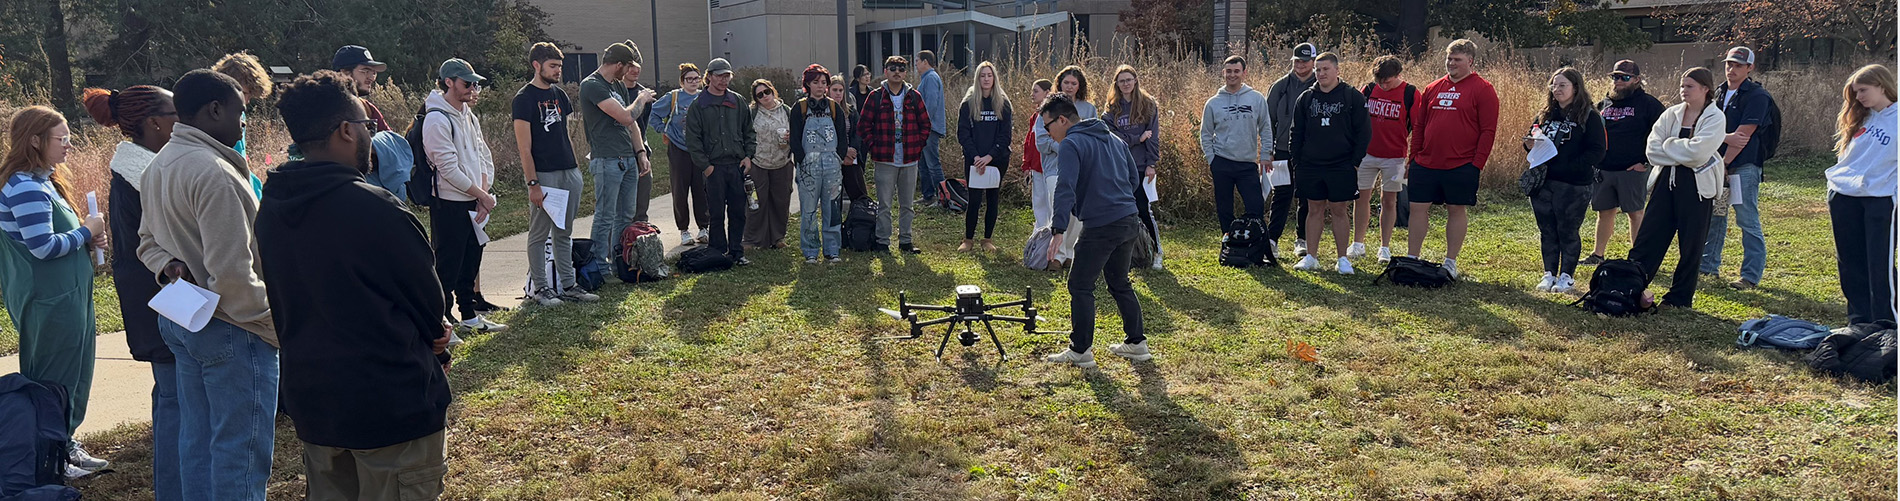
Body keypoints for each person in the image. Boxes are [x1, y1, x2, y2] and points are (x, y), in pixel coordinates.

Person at [256, 71, 452, 500]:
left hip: (315, 406)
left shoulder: (272, 207)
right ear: (346, 130)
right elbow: (428, 306)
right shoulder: (378, 209)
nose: (371, 135)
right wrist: (440, 339)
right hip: (390, 409)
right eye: (368, 126)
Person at [137, 69, 277, 500]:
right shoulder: (213, 171)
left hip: (184, 319)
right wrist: (274, 325)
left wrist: (171, 267)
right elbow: (233, 277)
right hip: (232, 327)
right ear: (215, 109)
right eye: (241, 113)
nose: (243, 123)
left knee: (196, 441)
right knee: (239, 449)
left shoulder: (160, 164)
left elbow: (146, 243)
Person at [0, 105, 109, 479]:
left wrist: (88, 237)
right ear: (34, 140)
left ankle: (65, 442)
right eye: (61, 139)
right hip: (50, 299)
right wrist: (85, 230)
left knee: (76, 371)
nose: (68, 146)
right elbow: (42, 247)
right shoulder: (24, 186)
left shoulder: (43, 181)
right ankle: (49, 454)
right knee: (53, 375)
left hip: (69, 294)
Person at [83, 85, 177, 490]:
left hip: (157, 299)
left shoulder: (140, 168)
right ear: (154, 123)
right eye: (176, 111)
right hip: (161, 301)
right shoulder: (144, 175)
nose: (183, 118)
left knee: (172, 399)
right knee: (176, 403)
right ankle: (176, 490)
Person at [1039, 93, 1155, 368]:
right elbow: (1131, 178)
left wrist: (1058, 229)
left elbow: (1065, 186)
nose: (1047, 132)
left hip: (1101, 225)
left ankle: (1080, 351)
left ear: (1063, 120)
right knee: (1119, 281)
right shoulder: (1114, 140)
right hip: (1128, 220)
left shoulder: (1071, 143)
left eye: (1047, 126)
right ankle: (1137, 343)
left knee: (1080, 284)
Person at [1629, 67, 1727, 309]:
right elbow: (1652, 150)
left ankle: (1679, 298)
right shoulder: (1671, 114)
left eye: (1690, 86)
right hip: (1665, 183)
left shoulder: (1716, 118)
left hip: (1697, 187)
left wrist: (1669, 146)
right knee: (1649, 238)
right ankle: (1631, 286)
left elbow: (1699, 154)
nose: (1683, 91)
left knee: (1691, 244)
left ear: (1706, 89)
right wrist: (1682, 149)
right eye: (1682, 86)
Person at [423, 58, 508, 334]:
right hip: (448, 203)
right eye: (467, 83)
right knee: (448, 263)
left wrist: (483, 195)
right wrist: (480, 195)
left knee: (472, 258)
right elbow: (447, 168)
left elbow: (483, 155)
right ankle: (442, 321)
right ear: (449, 82)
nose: (473, 88)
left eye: (475, 84)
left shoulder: (468, 115)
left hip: (473, 200)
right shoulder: (437, 118)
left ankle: (470, 315)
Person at [513, 42, 598, 306]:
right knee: (539, 234)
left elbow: (565, 135)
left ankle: (569, 284)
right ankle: (541, 289)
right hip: (544, 175)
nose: (558, 71)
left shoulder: (559, 95)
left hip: (568, 171)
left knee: (564, 231)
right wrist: (533, 183)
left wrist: (575, 170)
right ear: (536, 65)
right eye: (553, 66)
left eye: (559, 66)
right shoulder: (524, 99)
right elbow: (524, 148)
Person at [1406, 39, 1499, 278]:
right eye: (1449, 58)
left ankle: (1450, 261)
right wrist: (1413, 157)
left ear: (1470, 61)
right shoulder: (1432, 88)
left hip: (1461, 164)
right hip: (1426, 162)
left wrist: (1477, 163)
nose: (1451, 63)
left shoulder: (1483, 89)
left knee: (1456, 209)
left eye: (1457, 59)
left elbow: (1488, 130)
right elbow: (1420, 124)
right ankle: (1412, 257)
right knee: (1417, 208)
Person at [1825, 64, 1898, 325]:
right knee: (1850, 264)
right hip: (1843, 196)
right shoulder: (1860, 117)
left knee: (1879, 264)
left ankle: (1888, 325)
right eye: (1855, 92)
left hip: (1880, 198)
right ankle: (1859, 323)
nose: (1859, 97)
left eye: (1863, 90)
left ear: (1882, 86)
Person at [1522, 67, 1606, 293]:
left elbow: (1597, 151)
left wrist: (1569, 166)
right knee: (1547, 230)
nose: (1556, 89)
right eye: (1554, 85)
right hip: (1543, 183)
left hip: (1574, 185)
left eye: (1562, 85)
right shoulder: (1545, 114)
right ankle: (1549, 273)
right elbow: (1532, 138)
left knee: (1568, 231)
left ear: (1575, 88)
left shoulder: (1589, 116)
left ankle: (1567, 276)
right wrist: (1529, 144)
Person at [1700, 46, 1776, 290]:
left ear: (1750, 68)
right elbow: (1705, 129)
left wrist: (1725, 162)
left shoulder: (1757, 96)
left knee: (1746, 220)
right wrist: (1723, 140)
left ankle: (1750, 275)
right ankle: (1708, 267)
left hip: (1742, 166)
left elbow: (1743, 136)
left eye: (1738, 65)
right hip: (1717, 165)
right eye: (1729, 64)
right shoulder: (1719, 92)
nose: (1732, 69)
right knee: (1715, 216)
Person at [1288, 52, 1371, 274]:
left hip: (1341, 165)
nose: (1321, 73)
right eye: (1318, 69)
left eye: (1325, 69)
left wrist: (1354, 162)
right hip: (1311, 165)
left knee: (1339, 210)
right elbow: (1296, 133)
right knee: (1313, 209)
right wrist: (1297, 161)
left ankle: (1342, 259)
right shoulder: (1306, 98)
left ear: (1337, 70)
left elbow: (1364, 133)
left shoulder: (1352, 96)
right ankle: (1311, 257)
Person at [581, 41, 657, 271]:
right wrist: (642, 98)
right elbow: (625, 116)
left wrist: (641, 152)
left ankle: (619, 263)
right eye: (627, 67)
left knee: (625, 214)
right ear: (618, 65)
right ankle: (598, 266)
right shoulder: (593, 85)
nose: (629, 72)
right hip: (607, 159)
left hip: (628, 158)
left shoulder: (618, 85)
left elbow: (632, 124)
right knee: (605, 215)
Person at [1586, 60, 1665, 265]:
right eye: (1615, 77)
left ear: (1637, 80)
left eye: (1624, 77)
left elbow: (1663, 134)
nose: (1618, 81)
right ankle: (1598, 254)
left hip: (1632, 168)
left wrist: (1646, 162)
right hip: (1604, 168)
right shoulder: (1605, 104)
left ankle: (1637, 258)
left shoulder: (1649, 104)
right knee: (1604, 212)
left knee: (1635, 213)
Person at [682, 58, 757, 265]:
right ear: (709, 77)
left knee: (737, 212)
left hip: (736, 166)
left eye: (727, 76)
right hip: (713, 168)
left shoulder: (737, 101)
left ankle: (736, 252)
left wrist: (748, 156)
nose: (724, 80)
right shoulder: (699, 105)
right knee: (715, 213)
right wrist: (705, 167)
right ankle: (717, 252)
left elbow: (749, 131)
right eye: (719, 76)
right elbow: (693, 140)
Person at [855, 55, 931, 254]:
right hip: (885, 160)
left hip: (909, 160)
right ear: (886, 71)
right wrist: (874, 146)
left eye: (901, 68)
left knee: (907, 205)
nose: (897, 71)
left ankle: (906, 241)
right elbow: (863, 126)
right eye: (893, 67)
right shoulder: (876, 96)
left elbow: (926, 125)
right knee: (884, 205)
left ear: (906, 73)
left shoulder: (914, 96)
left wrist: (917, 146)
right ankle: (882, 242)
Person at [1197, 55, 1273, 235]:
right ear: (1223, 73)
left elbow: (1265, 128)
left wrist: (1265, 155)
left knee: (1255, 206)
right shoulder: (1213, 103)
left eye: (1236, 71)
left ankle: (1253, 239)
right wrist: (1211, 159)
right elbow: (1205, 133)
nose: (1232, 75)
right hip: (1222, 162)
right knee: (1224, 208)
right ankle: (1229, 241)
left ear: (1244, 73)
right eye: (1229, 71)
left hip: (1247, 163)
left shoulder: (1256, 99)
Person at [1355, 56, 1417, 264]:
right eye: (1379, 80)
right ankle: (1357, 243)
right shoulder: (1369, 90)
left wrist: (1412, 159)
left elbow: (1417, 127)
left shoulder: (1410, 93)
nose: (1383, 85)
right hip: (1367, 154)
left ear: (1398, 75)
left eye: (1387, 81)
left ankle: (1384, 247)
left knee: (1389, 201)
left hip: (1396, 157)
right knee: (1361, 197)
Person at [789, 65, 851, 264]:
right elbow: (795, 138)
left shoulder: (834, 108)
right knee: (808, 210)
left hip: (832, 165)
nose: (820, 86)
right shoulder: (799, 108)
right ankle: (810, 251)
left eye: (823, 82)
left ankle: (832, 250)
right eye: (816, 82)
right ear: (807, 84)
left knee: (832, 208)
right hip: (808, 165)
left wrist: (839, 157)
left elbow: (843, 135)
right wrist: (802, 159)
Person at [1104, 64, 1162, 269]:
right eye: (1122, 81)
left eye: (1129, 79)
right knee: (1120, 210)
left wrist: (1151, 163)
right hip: (1119, 166)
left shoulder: (1148, 104)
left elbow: (1153, 137)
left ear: (1135, 80)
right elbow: (1112, 137)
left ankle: (1156, 252)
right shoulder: (1111, 108)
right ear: (1117, 85)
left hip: (1141, 166)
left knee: (1143, 209)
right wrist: (1137, 137)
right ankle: (1126, 255)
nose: (1126, 83)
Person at [650, 63, 713, 246]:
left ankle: (703, 227)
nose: (693, 82)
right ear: (682, 81)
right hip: (678, 148)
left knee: (701, 189)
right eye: (689, 79)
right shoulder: (674, 97)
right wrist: (664, 129)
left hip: (700, 149)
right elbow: (653, 114)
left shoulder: (705, 97)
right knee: (680, 190)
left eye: (696, 78)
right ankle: (684, 229)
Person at [1041, 66, 1098, 263]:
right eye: (1066, 82)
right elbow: (1043, 142)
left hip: (1081, 167)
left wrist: (1073, 149)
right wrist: (1068, 148)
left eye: (1074, 83)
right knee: (1059, 206)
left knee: (1078, 213)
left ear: (1080, 86)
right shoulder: (1048, 106)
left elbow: (1092, 138)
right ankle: (1055, 256)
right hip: (1053, 167)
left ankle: (1069, 253)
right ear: (1059, 83)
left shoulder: (1088, 109)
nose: (1070, 86)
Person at [1267, 43, 1318, 256]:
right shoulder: (1280, 86)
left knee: (1306, 196)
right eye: (1297, 61)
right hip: (1282, 150)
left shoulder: (1321, 84)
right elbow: (1267, 120)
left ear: (1313, 62)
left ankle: (1302, 240)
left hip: (1311, 152)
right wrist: (1268, 149)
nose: (1300, 65)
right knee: (1281, 194)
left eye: (1305, 61)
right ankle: (1271, 239)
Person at [956, 61, 1013, 253]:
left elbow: (1005, 136)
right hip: (974, 159)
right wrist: (977, 157)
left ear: (994, 78)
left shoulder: (1003, 103)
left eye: (990, 75)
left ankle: (987, 239)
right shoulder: (968, 103)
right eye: (983, 75)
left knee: (992, 197)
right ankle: (968, 239)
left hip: (997, 159)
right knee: (974, 199)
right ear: (977, 78)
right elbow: (963, 134)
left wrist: (989, 157)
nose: (986, 79)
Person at [744, 78, 794, 250]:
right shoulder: (752, 113)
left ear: (773, 91)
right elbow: (745, 135)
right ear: (756, 99)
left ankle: (778, 237)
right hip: (758, 162)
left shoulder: (786, 111)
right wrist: (747, 157)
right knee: (756, 202)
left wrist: (790, 138)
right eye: (760, 95)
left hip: (782, 161)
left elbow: (797, 132)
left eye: (767, 92)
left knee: (781, 201)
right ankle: (752, 239)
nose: (765, 96)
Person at [616, 43, 659, 224]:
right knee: (619, 210)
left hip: (640, 152)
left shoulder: (646, 95)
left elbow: (642, 127)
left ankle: (639, 244)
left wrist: (642, 153)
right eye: (631, 66)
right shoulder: (612, 92)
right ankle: (617, 247)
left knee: (641, 207)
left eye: (638, 66)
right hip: (617, 155)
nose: (634, 70)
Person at [211, 52, 272, 159]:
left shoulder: (240, 115)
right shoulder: (213, 117)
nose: (247, 101)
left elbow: (240, 159)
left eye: (250, 94)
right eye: (243, 94)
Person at [915, 50, 947, 206]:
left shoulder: (931, 79)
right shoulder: (926, 79)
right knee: (923, 163)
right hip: (925, 129)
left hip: (929, 129)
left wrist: (923, 124)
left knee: (933, 164)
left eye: (917, 61)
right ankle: (928, 196)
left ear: (925, 62)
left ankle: (943, 198)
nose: (916, 64)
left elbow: (931, 104)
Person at [829, 75, 868, 202]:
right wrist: (843, 151)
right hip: (832, 157)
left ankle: (860, 220)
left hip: (851, 158)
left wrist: (852, 151)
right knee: (834, 199)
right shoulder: (824, 112)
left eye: (841, 90)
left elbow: (858, 133)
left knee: (860, 195)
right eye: (835, 90)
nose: (838, 93)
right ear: (828, 90)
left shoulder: (851, 111)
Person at [1024, 79, 1054, 230]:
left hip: (1049, 165)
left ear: (1047, 93)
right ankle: (1040, 232)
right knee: (1039, 201)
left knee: (1051, 202)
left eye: (1036, 91)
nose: (1032, 94)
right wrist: (1027, 164)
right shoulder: (1034, 117)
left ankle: (1051, 233)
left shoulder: (1053, 115)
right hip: (1036, 166)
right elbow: (1029, 142)